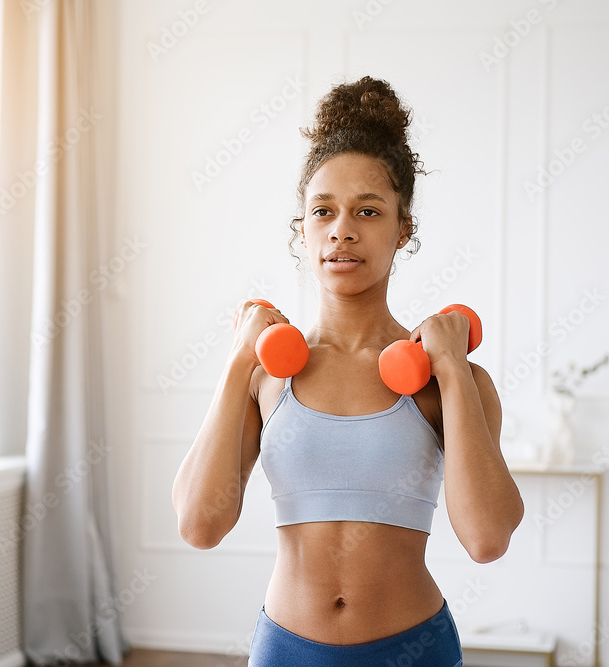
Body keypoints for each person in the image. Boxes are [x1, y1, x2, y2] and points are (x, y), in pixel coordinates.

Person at [172, 75, 525, 667]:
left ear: (402, 229)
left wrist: (454, 371)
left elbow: (487, 539)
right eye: (323, 211)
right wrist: (238, 361)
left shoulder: (448, 380)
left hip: (413, 650)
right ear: (302, 230)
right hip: (286, 649)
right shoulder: (264, 376)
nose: (342, 229)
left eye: (368, 210)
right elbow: (199, 525)